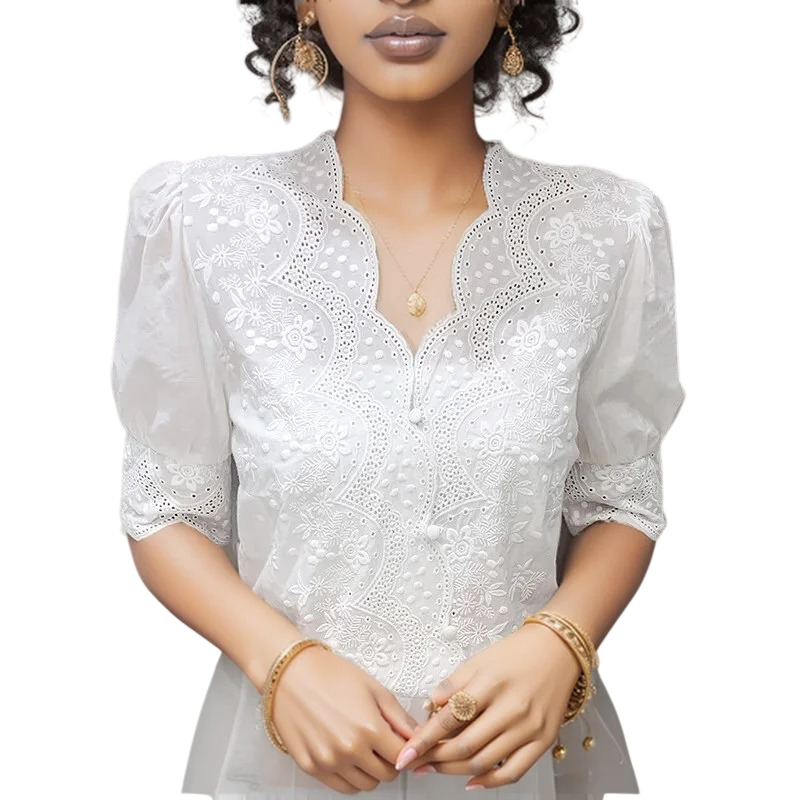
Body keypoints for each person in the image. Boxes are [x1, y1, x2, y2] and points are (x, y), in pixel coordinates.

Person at [109, 1, 686, 798]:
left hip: (514, 760)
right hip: (290, 756)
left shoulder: (607, 228)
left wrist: (563, 640)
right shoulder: (202, 220)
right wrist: (282, 662)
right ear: (305, 3)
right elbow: (166, 506)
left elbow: (619, 497)